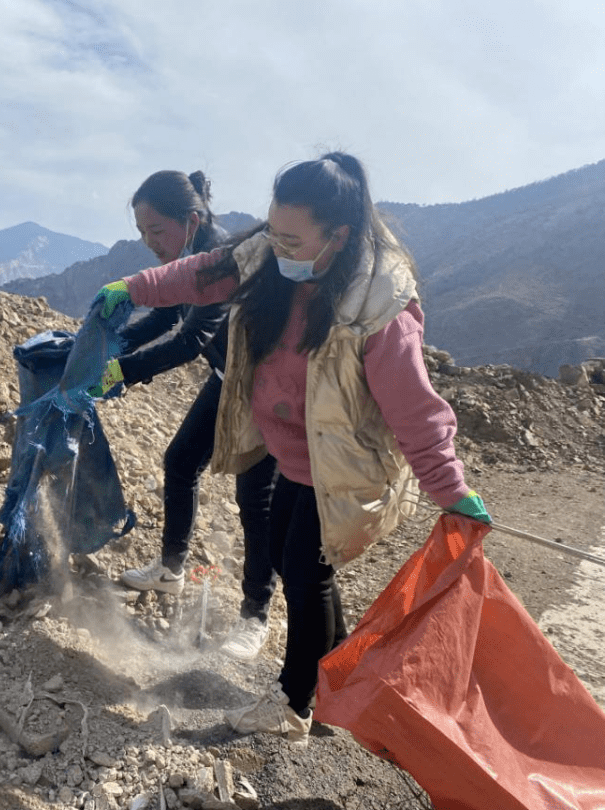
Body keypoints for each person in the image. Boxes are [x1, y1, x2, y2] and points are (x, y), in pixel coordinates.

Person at [92, 152, 490, 746]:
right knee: (291, 560)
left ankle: (293, 702)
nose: (279, 247)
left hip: (340, 463)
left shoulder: (377, 303)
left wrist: (453, 492)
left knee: (306, 572)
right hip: (288, 449)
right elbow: (202, 273)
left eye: (294, 239)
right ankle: (342, 680)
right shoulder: (264, 258)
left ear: (340, 235)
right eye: (273, 231)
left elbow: (415, 409)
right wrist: (134, 288)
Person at [89, 169, 282, 662]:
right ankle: (172, 569)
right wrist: (112, 343)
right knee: (179, 462)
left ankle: (255, 616)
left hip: (266, 388)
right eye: (142, 233)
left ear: (191, 221)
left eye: (156, 231)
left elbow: (190, 338)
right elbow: (166, 314)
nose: (149, 243)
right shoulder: (187, 256)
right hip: (228, 377)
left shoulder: (221, 259)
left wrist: (122, 371)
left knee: (254, 496)